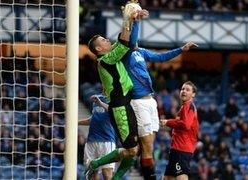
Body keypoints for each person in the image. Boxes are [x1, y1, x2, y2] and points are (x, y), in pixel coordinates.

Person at [125, 20, 198, 180]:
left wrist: (181, 49)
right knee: (146, 144)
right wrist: (135, 21)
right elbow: (131, 40)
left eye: (187, 89)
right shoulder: (126, 53)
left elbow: (161, 57)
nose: (135, 39)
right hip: (139, 101)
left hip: (150, 100)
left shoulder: (141, 52)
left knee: (148, 144)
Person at [85, 6, 149, 180]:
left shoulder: (108, 55)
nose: (108, 40)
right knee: (131, 150)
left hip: (126, 103)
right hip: (119, 107)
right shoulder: (106, 59)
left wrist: (134, 20)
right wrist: (127, 18)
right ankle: (95, 163)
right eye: (104, 40)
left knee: (135, 150)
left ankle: (111, 175)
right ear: (99, 49)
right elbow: (124, 43)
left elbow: (123, 40)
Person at [160, 81, 200, 180]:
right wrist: (167, 122)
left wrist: (168, 122)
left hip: (182, 148)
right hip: (176, 147)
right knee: (167, 178)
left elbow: (186, 125)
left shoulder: (189, 106)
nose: (184, 91)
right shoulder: (184, 107)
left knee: (180, 177)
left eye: (187, 90)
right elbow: (180, 123)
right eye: (182, 89)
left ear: (193, 94)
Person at [79, 94, 116, 180]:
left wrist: (101, 103)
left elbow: (114, 112)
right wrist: (76, 122)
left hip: (107, 141)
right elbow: (93, 119)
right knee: (92, 174)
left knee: (107, 174)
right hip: (91, 141)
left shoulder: (114, 98)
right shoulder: (97, 98)